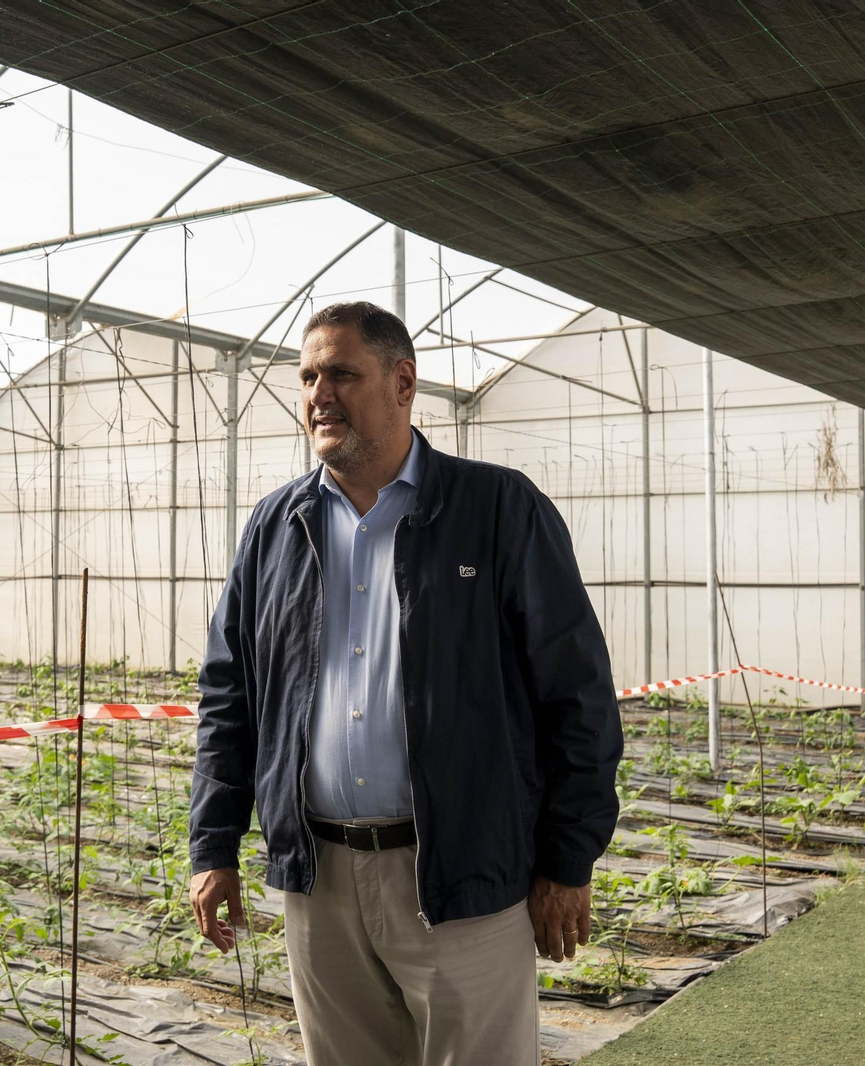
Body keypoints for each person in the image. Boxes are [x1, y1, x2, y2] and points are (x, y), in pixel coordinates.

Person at [188, 300, 622, 1065]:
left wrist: (567, 859)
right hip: (318, 878)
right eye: (309, 376)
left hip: (460, 874)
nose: (321, 394)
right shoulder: (274, 526)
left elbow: (577, 694)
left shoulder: (496, 509)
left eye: (343, 374)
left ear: (403, 382)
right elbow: (231, 696)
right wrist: (213, 844)